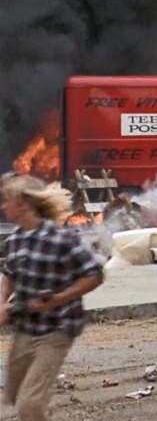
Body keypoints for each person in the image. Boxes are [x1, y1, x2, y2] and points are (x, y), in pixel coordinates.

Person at [0, 173, 104, 421]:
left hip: (57, 328)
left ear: (23, 204)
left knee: (30, 405)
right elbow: (10, 275)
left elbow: (94, 275)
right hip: (26, 327)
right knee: (13, 394)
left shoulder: (63, 238)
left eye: (7, 201)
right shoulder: (15, 239)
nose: (3, 207)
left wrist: (58, 299)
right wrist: (3, 304)